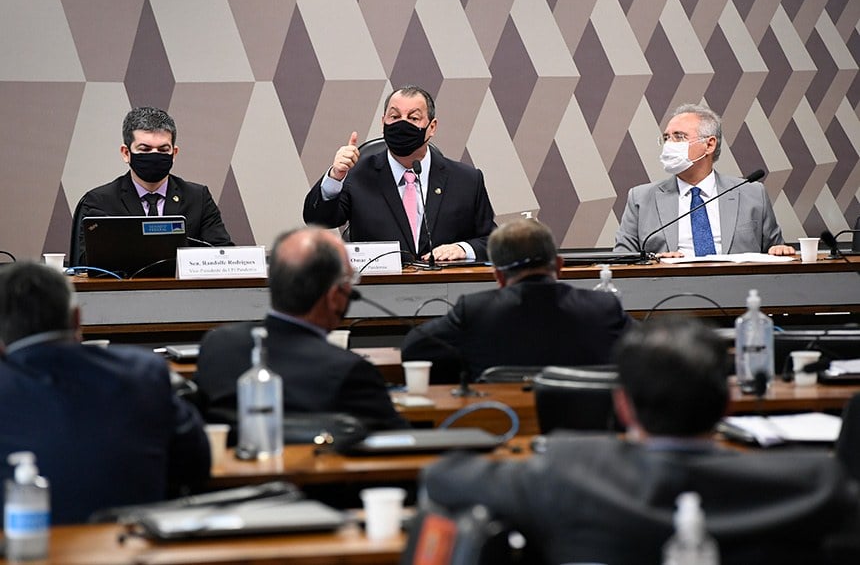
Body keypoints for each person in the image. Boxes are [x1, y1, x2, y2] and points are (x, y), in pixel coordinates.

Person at [422, 316, 860, 564]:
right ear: (727, 400)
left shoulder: (567, 468)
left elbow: (443, 477)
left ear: (623, 405)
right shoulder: (815, 483)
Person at [0, 262, 210, 524]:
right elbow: (196, 465)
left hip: (24, 551)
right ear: (77, 319)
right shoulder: (143, 372)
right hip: (130, 547)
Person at [195, 226, 408, 430]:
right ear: (334, 297)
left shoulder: (217, 346)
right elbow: (404, 444)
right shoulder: (349, 371)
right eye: (350, 281)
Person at [401, 218, 632, 383]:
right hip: (586, 431)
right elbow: (647, 352)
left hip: (500, 427)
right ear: (559, 266)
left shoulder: (474, 311)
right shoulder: (602, 307)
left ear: (498, 276)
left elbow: (412, 349)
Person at [302, 85, 496, 262]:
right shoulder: (358, 174)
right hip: (378, 292)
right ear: (383, 122)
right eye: (394, 117)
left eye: (413, 118)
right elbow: (318, 221)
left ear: (432, 127)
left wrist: (462, 249)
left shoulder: (466, 180)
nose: (402, 125)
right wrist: (336, 175)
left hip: (447, 291)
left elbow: (493, 241)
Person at [615, 103, 795, 258]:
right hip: (669, 289)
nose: (669, 144)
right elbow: (621, 258)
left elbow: (775, 249)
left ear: (709, 144)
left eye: (679, 136)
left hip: (738, 290)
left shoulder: (752, 193)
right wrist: (654, 261)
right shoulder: (641, 197)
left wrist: (780, 250)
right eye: (666, 138)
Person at [75, 106, 233, 265]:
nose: (154, 155)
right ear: (126, 153)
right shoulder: (99, 202)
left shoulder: (198, 198)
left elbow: (223, 254)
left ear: (174, 153)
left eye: (163, 149)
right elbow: (84, 262)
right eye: (145, 149)